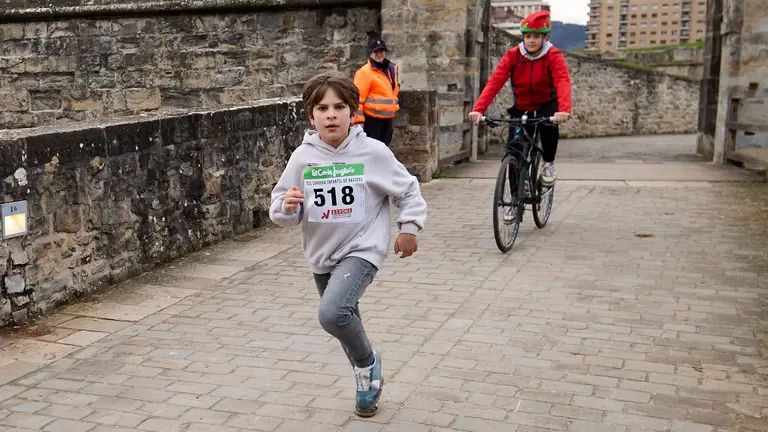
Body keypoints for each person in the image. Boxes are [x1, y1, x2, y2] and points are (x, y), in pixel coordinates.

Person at [269, 72, 427, 417]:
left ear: (353, 112)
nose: (331, 114)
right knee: (345, 318)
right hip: (322, 254)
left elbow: (409, 189)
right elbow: (280, 206)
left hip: (364, 248)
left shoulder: (373, 152)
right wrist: (287, 206)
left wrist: (409, 227)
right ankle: (365, 379)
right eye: (322, 108)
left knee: (332, 313)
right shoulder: (302, 157)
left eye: (339, 106)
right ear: (311, 116)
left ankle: (368, 365)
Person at [468, 9, 572, 187]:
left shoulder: (553, 56)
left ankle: (548, 164)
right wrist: (478, 109)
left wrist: (563, 110)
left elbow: (562, 81)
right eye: (528, 36)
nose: (531, 40)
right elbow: (495, 82)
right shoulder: (513, 55)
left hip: (546, 103)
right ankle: (513, 200)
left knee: (549, 128)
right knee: (514, 150)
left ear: (544, 38)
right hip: (522, 106)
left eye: (536, 36)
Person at [353, 39, 400, 147]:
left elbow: (392, 92)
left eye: (381, 51)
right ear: (371, 53)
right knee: (372, 150)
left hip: (388, 119)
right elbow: (357, 98)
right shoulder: (364, 72)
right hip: (372, 120)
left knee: (384, 150)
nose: (379, 54)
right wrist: (359, 121)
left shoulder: (390, 70)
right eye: (376, 52)